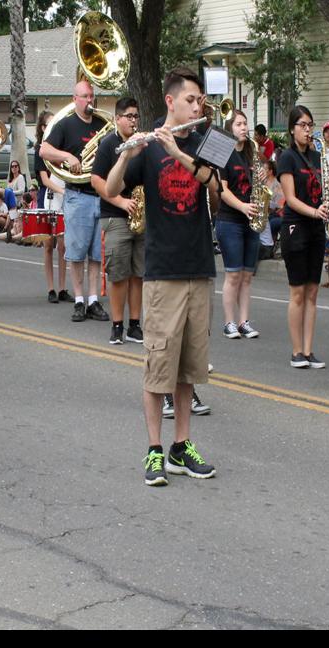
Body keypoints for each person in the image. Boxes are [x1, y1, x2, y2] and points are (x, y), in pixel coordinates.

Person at [106, 67, 220, 485]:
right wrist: (126, 154)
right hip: (162, 271)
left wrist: (180, 154)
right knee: (159, 368)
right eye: (191, 100)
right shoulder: (149, 146)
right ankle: (154, 449)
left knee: (189, 370)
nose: (198, 106)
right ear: (171, 102)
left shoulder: (206, 143)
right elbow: (111, 188)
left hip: (198, 267)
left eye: (201, 100)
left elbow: (215, 190)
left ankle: (181, 445)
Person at [40, 79, 108, 322]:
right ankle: (79, 300)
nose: (89, 100)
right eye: (84, 96)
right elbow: (44, 150)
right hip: (77, 196)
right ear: (74, 99)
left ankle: (93, 300)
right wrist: (68, 155)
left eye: (91, 96)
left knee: (97, 255)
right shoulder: (66, 125)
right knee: (77, 253)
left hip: (101, 195)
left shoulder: (102, 123)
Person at [277, 105, 329, 370]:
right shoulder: (287, 157)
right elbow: (291, 199)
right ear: (292, 129)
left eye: (310, 125)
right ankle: (296, 350)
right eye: (303, 125)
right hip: (296, 227)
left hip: (317, 228)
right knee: (298, 292)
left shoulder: (318, 156)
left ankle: (309, 350)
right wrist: (315, 211)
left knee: (313, 292)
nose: (308, 130)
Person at [90, 97, 146, 346]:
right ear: (118, 119)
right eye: (129, 116)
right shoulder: (108, 145)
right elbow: (96, 181)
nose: (133, 121)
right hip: (115, 216)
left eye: (136, 116)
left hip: (140, 216)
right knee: (118, 274)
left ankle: (135, 325)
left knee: (138, 274)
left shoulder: (143, 144)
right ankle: (116, 326)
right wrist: (121, 202)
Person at [216, 108, 263, 341]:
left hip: (251, 219)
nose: (244, 127)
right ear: (230, 128)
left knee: (246, 275)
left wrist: (261, 181)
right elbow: (222, 190)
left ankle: (244, 321)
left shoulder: (250, 154)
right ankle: (229, 322)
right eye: (239, 124)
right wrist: (242, 207)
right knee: (233, 275)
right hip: (230, 220)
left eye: (245, 123)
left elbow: (255, 188)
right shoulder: (224, 154)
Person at [34, 110, 70, 302]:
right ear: (42, 128)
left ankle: (63, 288)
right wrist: (63, 191)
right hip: (47, 197)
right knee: (48, 244)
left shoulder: (61, 149)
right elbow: (45, 180)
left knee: (63, 246)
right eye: (49, 124)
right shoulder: (40, 150)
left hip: (62, 198)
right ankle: (50, 289)